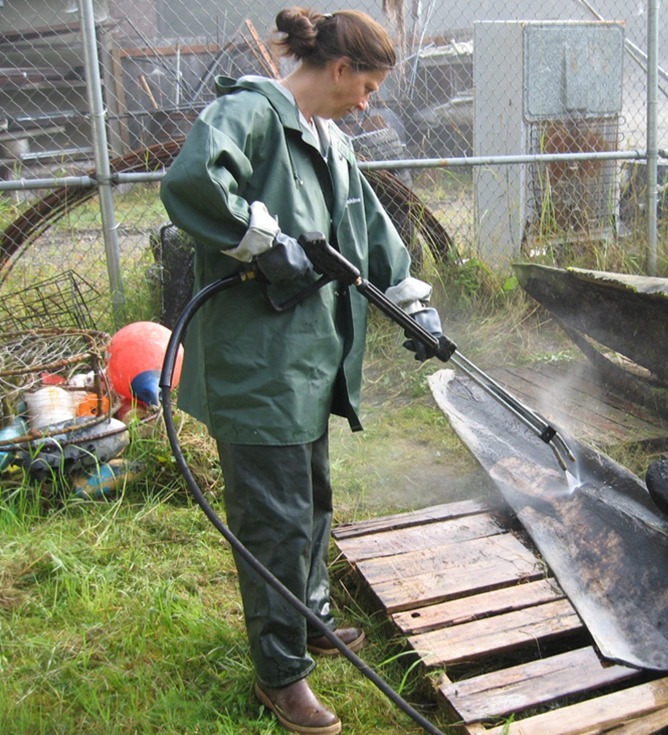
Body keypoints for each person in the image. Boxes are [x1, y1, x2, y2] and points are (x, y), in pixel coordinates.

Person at [160, 8, 441, 734]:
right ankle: (280, 676)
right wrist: (262, 239)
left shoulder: (331, 141)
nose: (367, 101)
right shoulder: (250, 114)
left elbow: (371, 232)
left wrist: (414, 306)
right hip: (259, 367)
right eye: (368, 86)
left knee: (311, 502)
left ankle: (309, 616)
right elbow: (192, 182)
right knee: (275, 522)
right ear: (341, 68)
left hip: (310, 362)